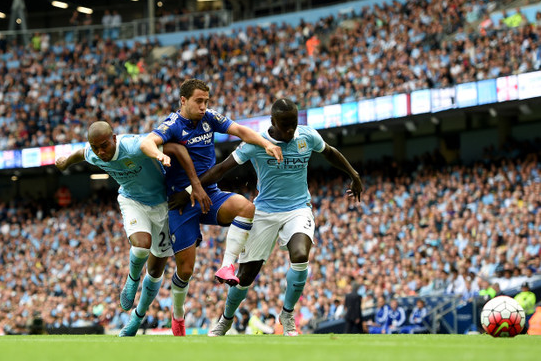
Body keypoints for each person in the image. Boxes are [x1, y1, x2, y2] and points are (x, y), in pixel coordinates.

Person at [182, 97, 363, 336]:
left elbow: (330, 152)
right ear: (272, 122)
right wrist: (189, 192)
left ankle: (287, 315)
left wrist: (354, 173)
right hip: (265, 212)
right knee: (245, 276)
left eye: (293, 124)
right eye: (285, 125)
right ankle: (226, 320)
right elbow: (222, 169)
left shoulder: (306, 136)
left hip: (298, 209)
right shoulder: (256, 142)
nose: (290, 130)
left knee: (300, 255)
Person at [139, 78, 283, 336]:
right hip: (180, 204)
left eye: (206, 101)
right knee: (185, 270)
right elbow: (146, 142)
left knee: (246, 208)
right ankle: (178, 314)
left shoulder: (210, 118)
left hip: (209, 194)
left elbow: (240, 130)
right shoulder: (172, 125)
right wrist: (159, 155)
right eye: (198, 101)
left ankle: (227, 265)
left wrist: (266, 143)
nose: (204, 106)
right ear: (183, 100)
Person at [55, 121, 210, 337]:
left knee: (156, 272)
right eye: (96, 147)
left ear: (115, 138)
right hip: (132, 201)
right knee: (141, 247)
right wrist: (64, 162)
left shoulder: (133, 146)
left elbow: (177, 148)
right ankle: (132, 279)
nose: (101, 151)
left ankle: (137, 318)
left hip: (163, 206)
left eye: (105, 145)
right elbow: (81, 153)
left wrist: (182, 173)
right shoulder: (94, 152)